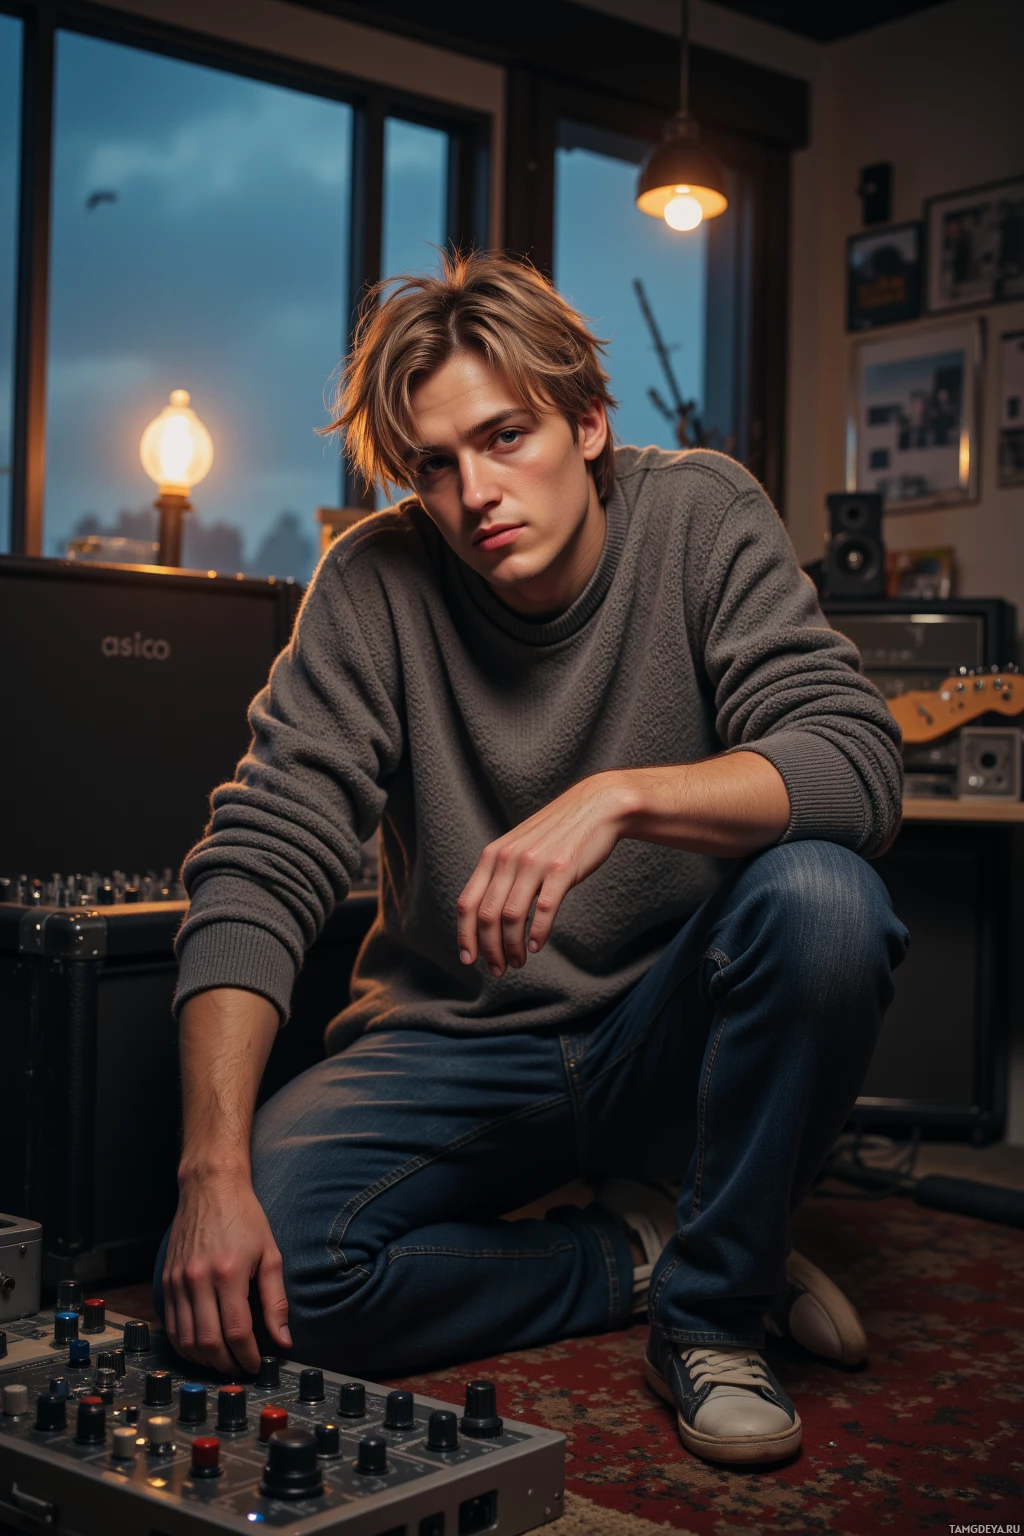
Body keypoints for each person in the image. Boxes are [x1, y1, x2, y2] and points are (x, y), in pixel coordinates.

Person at [156, 251, 908, 1467]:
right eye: (436, 466)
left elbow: (856, 769)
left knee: (825, 899)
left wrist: (616, 800)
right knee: (266, 1281)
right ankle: (654, 1251)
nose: (475, 493)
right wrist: (208, 1172)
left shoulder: (700, 514)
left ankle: (715, 1318)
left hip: (665, 1030)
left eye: (506, 437)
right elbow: (260, 857)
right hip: (460, 1045)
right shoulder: (374, 581)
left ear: (590, 422)